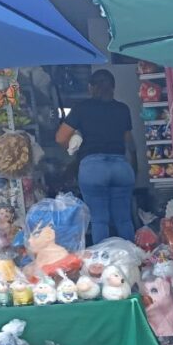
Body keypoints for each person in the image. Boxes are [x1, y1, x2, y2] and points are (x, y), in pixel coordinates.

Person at [56, 70, 136, 244]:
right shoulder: (122, 109)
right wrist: (134, 168)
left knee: (100, 220)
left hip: (93, 168)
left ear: (90, 88)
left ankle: (103, 264)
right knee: (124, 219)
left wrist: (74, 149)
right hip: (121, 167)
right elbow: (129, 143)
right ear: (113, 88)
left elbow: (61, 137)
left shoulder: (81, 108)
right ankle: (133, 260)